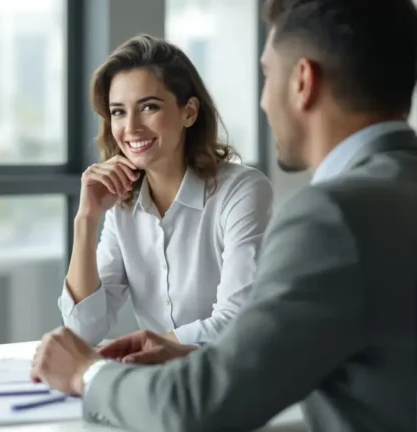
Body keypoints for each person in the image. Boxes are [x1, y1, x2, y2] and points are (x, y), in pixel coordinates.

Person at [31, 0, 417, 431]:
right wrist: (86, 222)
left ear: (303, 82)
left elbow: (198, 405)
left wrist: (87, 374)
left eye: (267, 75)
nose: (263, 100)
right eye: (118, 111)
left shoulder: (329, 217)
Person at [59, 34, 273, 347]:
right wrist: (86, 220)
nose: (131, 128)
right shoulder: (122, 205)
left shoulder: (241, 191)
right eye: (118, 111)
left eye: (148, 107)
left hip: (229, 382)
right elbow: (82, 331)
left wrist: (136, 349)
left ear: (189, 112)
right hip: (160, 382)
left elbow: (237, 319)